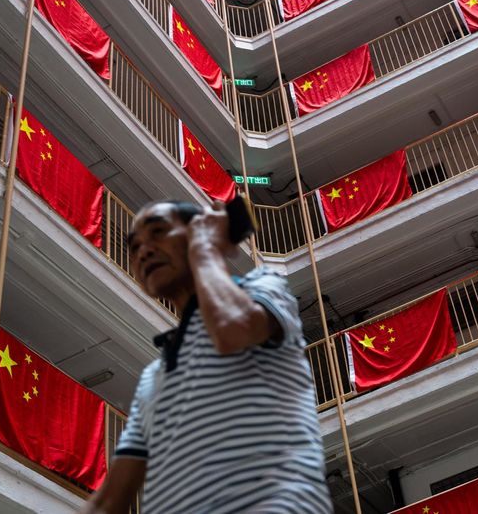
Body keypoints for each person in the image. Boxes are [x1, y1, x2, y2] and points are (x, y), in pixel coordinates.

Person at [81, 200, 332, 513]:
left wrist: (204, 249)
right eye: (134, 247)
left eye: (158, 233)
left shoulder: (264, 286)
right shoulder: (153, 377)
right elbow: (109, 501)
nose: (143, 251)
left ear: (199, 232)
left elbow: (232, 328)